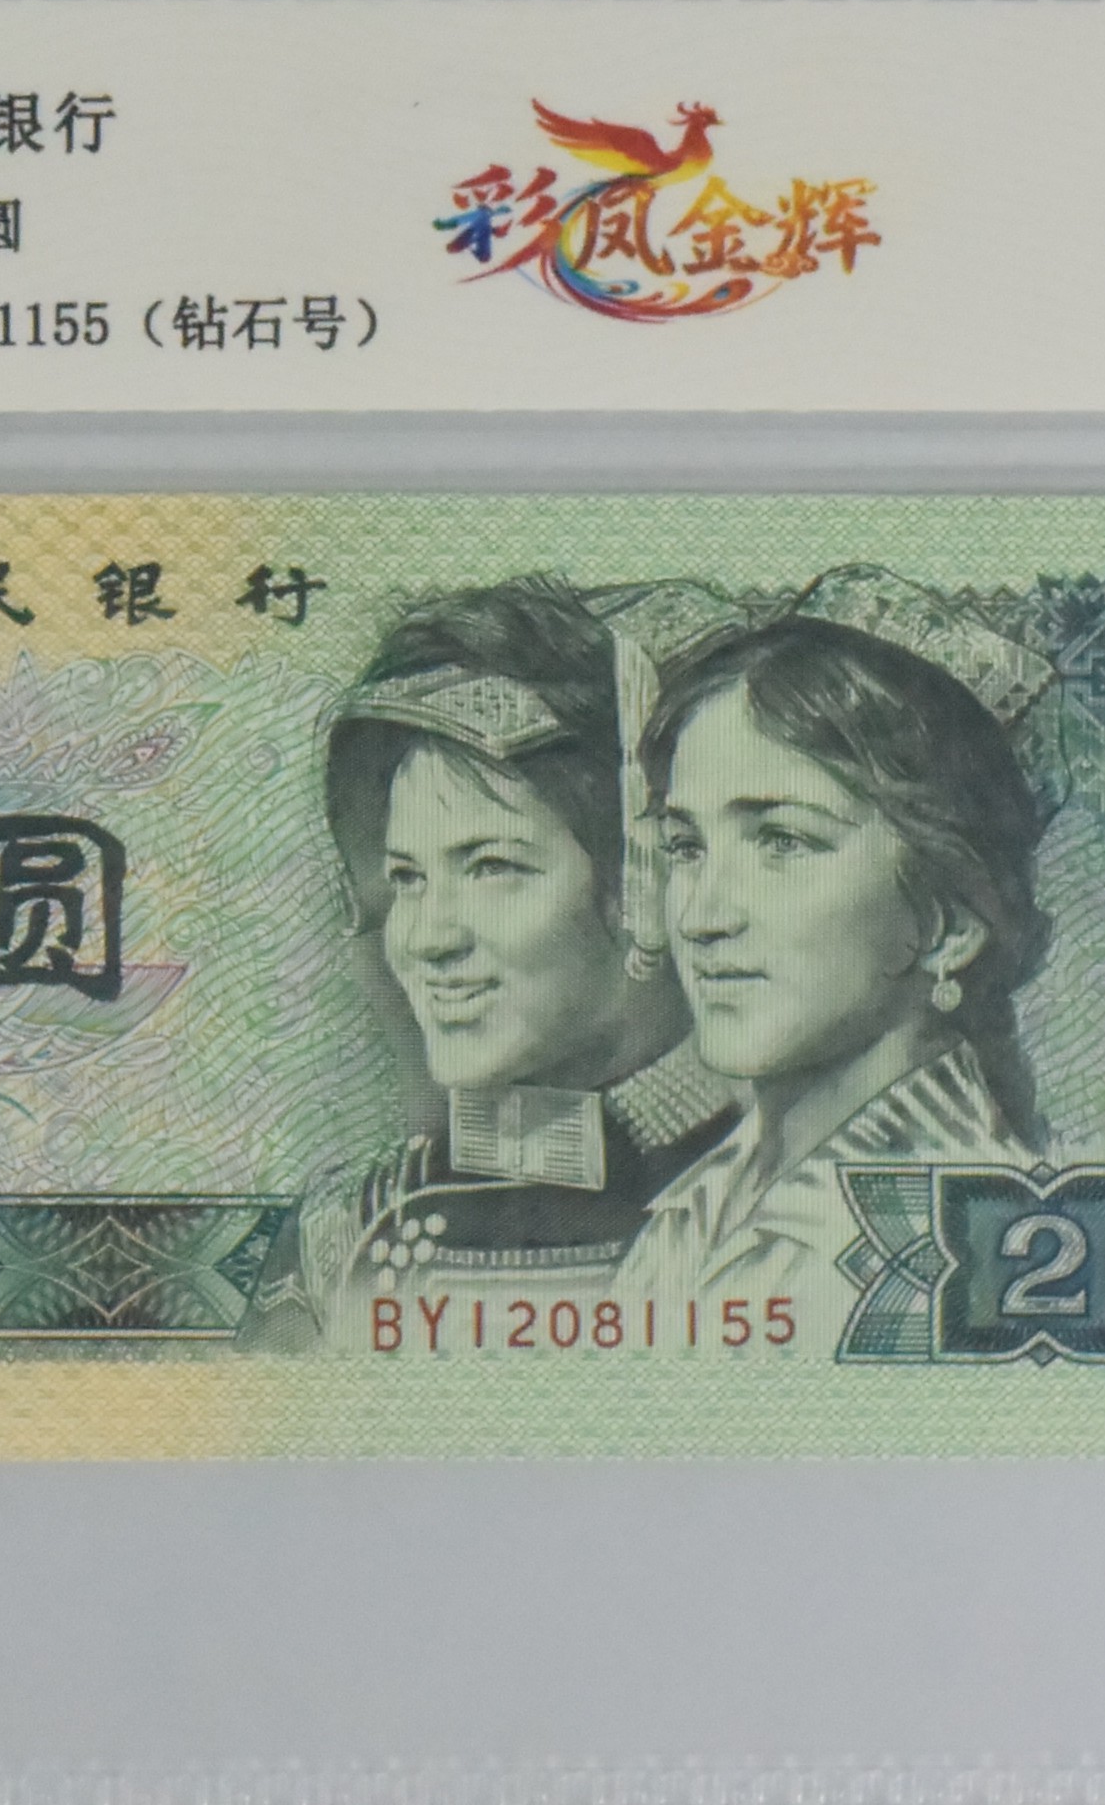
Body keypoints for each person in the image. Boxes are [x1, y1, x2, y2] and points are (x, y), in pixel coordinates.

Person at [240, 577, 742, 1349]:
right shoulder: (344, 1236)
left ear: (643, 882)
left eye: (490, 867)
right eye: (407, 879)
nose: (426, 938)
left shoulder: (799, 1198)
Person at [611, 597, 1053, 1327]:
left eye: (782, 842)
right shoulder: (697, 1208)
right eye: (686, 848)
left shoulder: (978, 1247)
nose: (699, 918)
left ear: (946, 924)